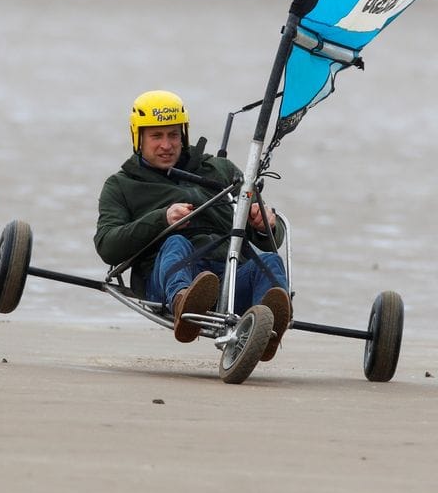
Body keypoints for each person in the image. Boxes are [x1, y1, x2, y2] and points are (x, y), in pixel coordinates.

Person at [94, 89, 292, 360]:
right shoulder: (120, 185)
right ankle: (184, 305)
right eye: (156, 136)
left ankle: (267, 332)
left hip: (230, 277)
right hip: (167, 277)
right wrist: (161, 219)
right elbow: (107, 246)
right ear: (138, 138)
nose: (167, 145)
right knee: (176, 242)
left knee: (269, 261)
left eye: (173, 135)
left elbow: (272, 240)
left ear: (183, 135)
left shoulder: (221, 170)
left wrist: (263, 223)